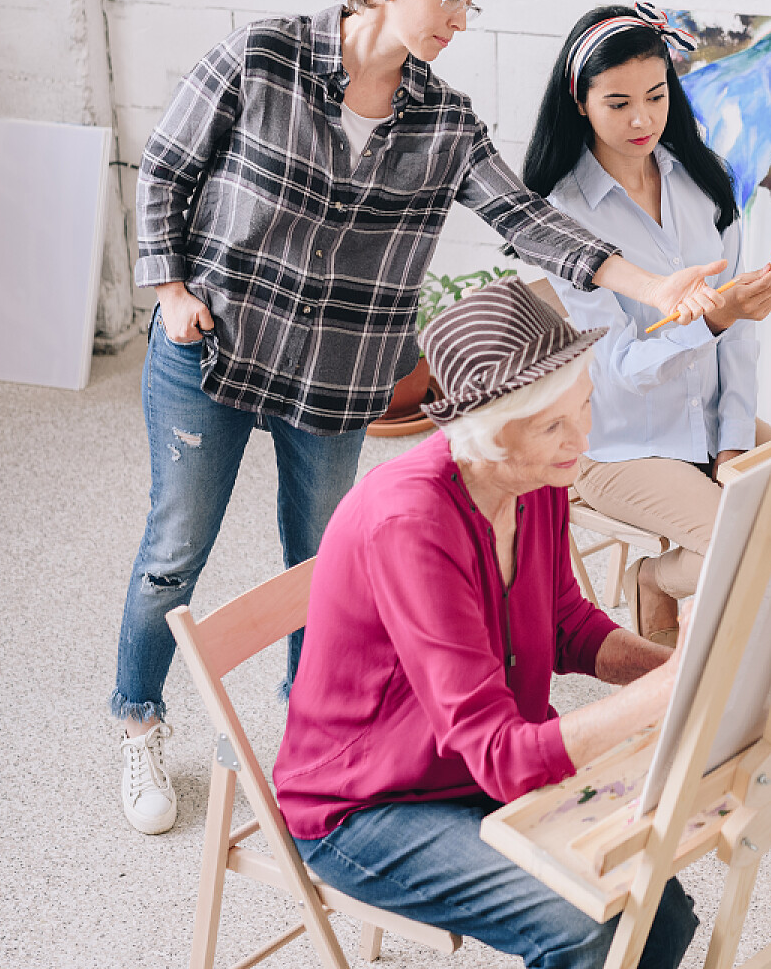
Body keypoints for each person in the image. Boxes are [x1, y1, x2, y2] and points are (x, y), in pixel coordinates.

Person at [112, 0, 724, 836]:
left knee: (323, 568)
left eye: (470, 3)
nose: (458, 20)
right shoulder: (259, 58)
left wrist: (655, 288)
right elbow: (164, 171)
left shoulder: (443, 122)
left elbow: (527, 221)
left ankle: (298, 734)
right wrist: (170, 293)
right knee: (172, 554)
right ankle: (139, 720)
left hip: (335, 381)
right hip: (213, 354)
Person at [275, 277, 699, 969]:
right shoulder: (411, 524)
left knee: (659, 909)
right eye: (554, 425)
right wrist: (656, 698)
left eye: (584, 409)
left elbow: (563, 622)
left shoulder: (535, 478)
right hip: (367, 805)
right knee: (589, 928)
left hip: (471, 772)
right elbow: (503, 757)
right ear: (487, 435)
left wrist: (683, 669)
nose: (581, 439)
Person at [522, 4, 771, 647]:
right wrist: (710, 320)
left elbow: (739, 336)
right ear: (579, 102)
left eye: (656, 97)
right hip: (617, 442)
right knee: (751, 547)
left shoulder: (705, 182)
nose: (642, 120)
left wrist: (733, 442)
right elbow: (617, 369)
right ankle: (658, 579)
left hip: (710, 420)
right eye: (618, 103)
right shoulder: (563, 217)